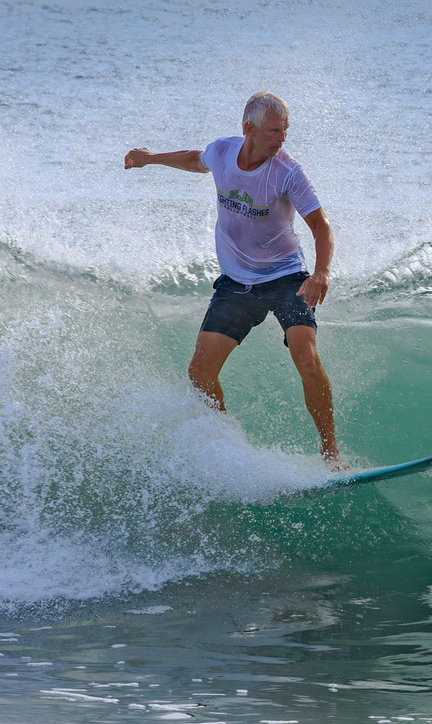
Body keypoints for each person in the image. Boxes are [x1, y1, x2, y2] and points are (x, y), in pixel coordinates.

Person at [124, 92, 340, 463]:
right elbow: (197, 159)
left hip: (287, 277)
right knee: (199, 372)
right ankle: (231, 449)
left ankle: (331, 453)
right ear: (249, 129)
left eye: (285, 130)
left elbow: (320, 226)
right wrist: (151, 159)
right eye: (274, 131)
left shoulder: (288, 171)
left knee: (306, 358)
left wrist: (321, 272)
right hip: (236, 284)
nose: (281, 138)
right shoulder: (224, 152)